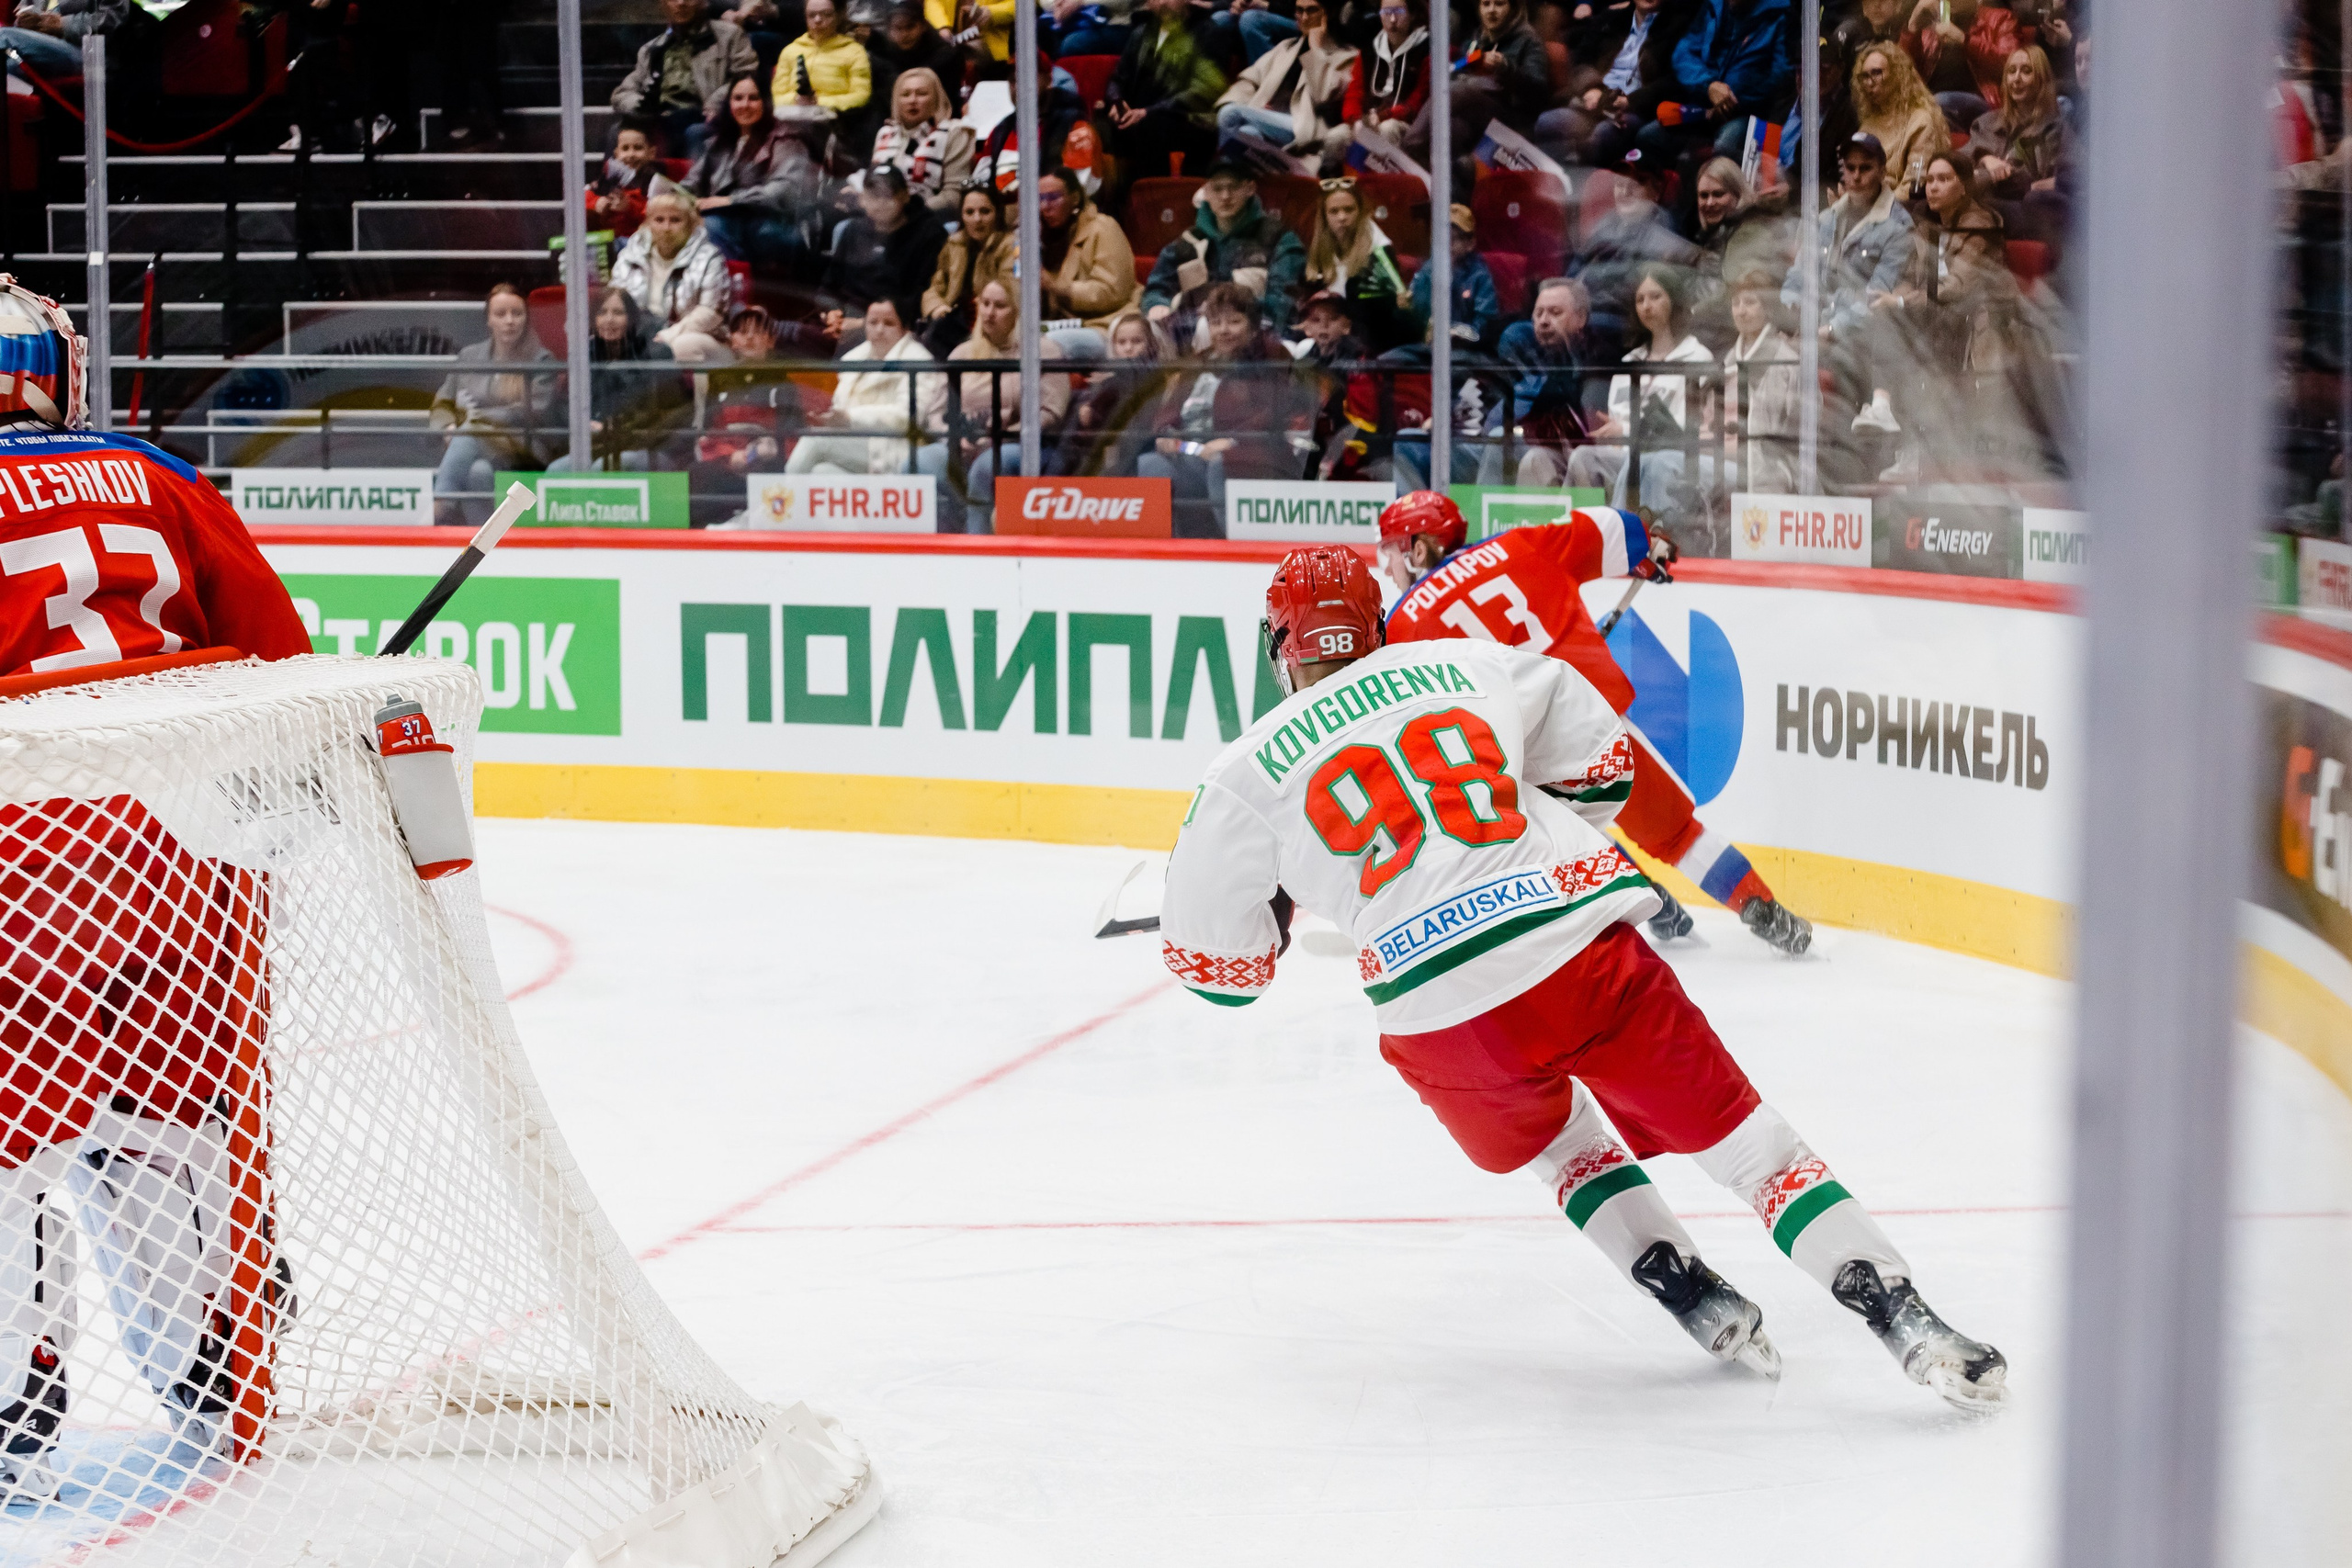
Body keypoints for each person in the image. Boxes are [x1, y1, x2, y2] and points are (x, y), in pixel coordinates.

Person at [1160, 541, 2005, 1407]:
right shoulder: (1465, 662)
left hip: (1438, 1020)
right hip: (1573, 953)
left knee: (1560, 1141)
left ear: (1280, 647)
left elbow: (1223, 974)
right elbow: (1606, 770)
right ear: (1377, 624)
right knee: (1750, 1145)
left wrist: (1281, 914)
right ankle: (1903, 1314)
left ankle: (1682, 1283)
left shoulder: (1238, 775)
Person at [0, 280, 313, 1498]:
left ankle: (15, 1411)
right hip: (189, 855)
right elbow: (279, 658)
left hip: (24, 865)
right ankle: (216, 1371)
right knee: (170, 1125)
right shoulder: (156, 470)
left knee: (12, 1144)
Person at [1376, 491, 1813, 947]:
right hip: (1599, 723)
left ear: (1419, 548)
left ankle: (1651, 900)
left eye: (1391, 551)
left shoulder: (1404, 628)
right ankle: (1767, 912)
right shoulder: (1521, 546)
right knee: (1677, 835)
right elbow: (1615, 527)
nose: (1388, 567)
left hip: (1525, 760)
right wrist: (1646, 550)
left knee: (1562, 835)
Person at [1137, 283, 1311, 537]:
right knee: (1151, 463)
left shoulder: (1273, 355)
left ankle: (1235, 550)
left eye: (1233, 321)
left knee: (1221, 462)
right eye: (1216, 322)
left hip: (1251, 451)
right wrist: (1165, 432)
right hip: (1193, 449)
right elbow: (1171, 408)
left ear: (1252, 325)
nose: (1224, 330)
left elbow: (1275, 410)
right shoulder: (1199, 360)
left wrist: (1232, 441)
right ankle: (1170, 551)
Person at [1782, 131, 1914, 442]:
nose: (1856, 177)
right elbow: (1799, 274)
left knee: (1840, 358)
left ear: (1882, 171)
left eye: (1864, 168)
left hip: (1857, 330)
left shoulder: (1898, 227)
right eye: (1849, 168)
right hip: (1816, 322)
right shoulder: (1826, 219)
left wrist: (1828, 330)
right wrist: (1790, 308)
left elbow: (1877, 295)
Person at [918, 280, 1069, 531]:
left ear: (1019, 311)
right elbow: (937, 411)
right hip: (965, 446)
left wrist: (1003, 437)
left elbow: (1052, 410)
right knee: (919, 461)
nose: (989, 313)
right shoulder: (962, 353)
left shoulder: (1044, 350)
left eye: (1000, 306)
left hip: (1023, 445)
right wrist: (953, 440)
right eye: (985, 304)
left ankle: (978, 547)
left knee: (987, 464)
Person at [1565, 264, 1713, 506]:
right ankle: (1578, 534)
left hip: (1664, 460)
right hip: (1621, 457)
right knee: (1582, 457)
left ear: (1674, 300)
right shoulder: (1629, 362)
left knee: (1593, 460)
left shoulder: (1697, 357)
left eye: (1655, 297)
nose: (1646, 306)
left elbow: (1681, 429)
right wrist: (1614, 433)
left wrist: (1624, 431)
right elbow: (1615, 416)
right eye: (1640, 299)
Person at [430, 283, 558, 527]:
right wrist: (447, 426)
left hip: (524, 448)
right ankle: (489, 546)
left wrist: (473, 423)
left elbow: (532, 410)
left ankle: (440, 506)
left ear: (526, 318)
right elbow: (442, 402)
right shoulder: (469, 357)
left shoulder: (541, 360)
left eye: (517, 314)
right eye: (501, 314)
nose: (509, 321)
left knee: (469, 433)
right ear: (489, 320)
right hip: (476, 450)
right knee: (479, 472)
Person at [1140, 157, 1308, 337]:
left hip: (1258, 336)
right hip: (1191, 336)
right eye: (1218, 188)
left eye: (1233, 187)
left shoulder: (1279, 239)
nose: (1225, 196)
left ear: (1250, 189)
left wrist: (1228, 312)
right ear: (1206, 192)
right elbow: (1156, 289)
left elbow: (1283, 301)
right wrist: (1157, 305)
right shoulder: (1188, 241)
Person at [785, 296, 946, 476]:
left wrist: (849, 418)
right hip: (854, 447)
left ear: (904, 328)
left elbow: (908, 417)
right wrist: (832, 419)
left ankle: (779, 501)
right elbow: (841, 412)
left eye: (889, 323)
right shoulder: (853, 361)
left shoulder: (918, 361)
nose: (879, 329)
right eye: (873, 322)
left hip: (896, 449)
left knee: (815, 440)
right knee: (821, 472)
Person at [684, 73, 825, 269]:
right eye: (738, 98)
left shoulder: (787, 138)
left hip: (776, 223)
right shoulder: (719, 141)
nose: (745, 105)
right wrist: (676, 195)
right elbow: (693, 181)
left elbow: (784, 190)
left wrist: (730, 201)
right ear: (729, 103)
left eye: (753, 98)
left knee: (712, 225)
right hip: (728, 219)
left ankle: (731, 281)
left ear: (765, 102)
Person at [546, 288, 692, 474]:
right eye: (602, 312)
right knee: (557, 470)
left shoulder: (656, 354)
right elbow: (561, 407)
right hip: (599, 446)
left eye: (618, 313)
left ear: (631, 318)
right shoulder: (585, 354)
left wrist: (610, 428)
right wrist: (583, 423)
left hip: (651, 447)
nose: (609, 320)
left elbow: (663, 415)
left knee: (605, 467)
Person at [1569, 149, 1700, 351]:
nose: (1624, 192)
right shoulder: (1605, 225)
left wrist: (1585, 295)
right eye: (1619, 185)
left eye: (1636, 184)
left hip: (1623, 324)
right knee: (1517, 333)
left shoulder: (1665, 234)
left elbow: (1633, 292)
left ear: (1656, 191)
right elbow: (1574, 269)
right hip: (1586, 315)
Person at [1635, 0, 1792, 169]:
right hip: (1705, 104)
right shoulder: (1713, 5)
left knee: (1726, 145)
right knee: (1649, 136)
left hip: (1749, 113)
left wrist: (1730, 100)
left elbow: (1781, 78)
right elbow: (1684, 54)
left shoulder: (1779, 13)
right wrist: (1709, 86)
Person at [690, 307, 805, 525]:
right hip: (727, 466)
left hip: (768, 469)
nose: (750, 337)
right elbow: (708, 434)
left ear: (770, 341)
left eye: (758, 332)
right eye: (743, 332)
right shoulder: (719, 379)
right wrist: (732, 457)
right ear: (733, 340)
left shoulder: (784, 383)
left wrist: (760, 455)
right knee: (696, 474)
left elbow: (792, 440)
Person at [1213, 0, 1358, 166]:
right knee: (1247, 132)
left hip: (1307, 127)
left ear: (1328, 15)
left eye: (1312, 11)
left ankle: (1224, 172)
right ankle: (1256, 178)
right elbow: (1249, 80)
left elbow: (1323, 96)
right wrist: (1251, 109)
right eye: (1299, 11)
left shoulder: (1346, 56)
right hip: (1268, 121)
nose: (1303, 17)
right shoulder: (1285, 48)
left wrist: (1315, 49)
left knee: (1230, 114)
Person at [1408, 0, 1547, 167]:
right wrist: (1462, 67)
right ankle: (1431, 178)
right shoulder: (1476, 39)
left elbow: (1538, 93)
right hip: (1474, 115)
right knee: (1454, 128)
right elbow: (1454, 70)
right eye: (1486, 4)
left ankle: (1409, 147)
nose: (1491, 10)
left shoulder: (1529, 40)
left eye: (1499, 4)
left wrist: (1506, 68)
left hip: (1511, 115)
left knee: (1457, 90)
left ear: (1513, 8)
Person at [612, 0, 760, 157]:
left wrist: (717, 102)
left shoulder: (730, 36)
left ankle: (697, 182)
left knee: (694, 132)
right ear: (663, 4)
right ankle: (612, 181)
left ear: (703, 2)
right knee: (618, 133)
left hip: (705, 116)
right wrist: (641, 106)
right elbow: (623, 93)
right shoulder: (652, 49)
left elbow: (746, 75)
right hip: (662, 118)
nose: (681, 3)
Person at [609, 183, 737, 365]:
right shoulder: (629, 256)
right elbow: (615, 302)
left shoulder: (710, 257)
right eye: (659, 220)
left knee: (682, 345)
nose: (667, 227)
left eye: (675, 220)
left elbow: (711, 313)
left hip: (702, 339)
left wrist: (668, 335)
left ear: (691, 224)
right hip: (642, 336)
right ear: (648, 223)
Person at [1482, 275, 1589, 488]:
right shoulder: (1527, 362)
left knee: (1499, 440)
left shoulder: (1591, 363)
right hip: (1497, 442)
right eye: (1538, 313)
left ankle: (1477, 518)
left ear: (1581, 318)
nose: (1544, 321)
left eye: (1555, 313)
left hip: (1563, 453)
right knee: (1414, 441)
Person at [1105, 0, 1226, 186]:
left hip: (1186, 118)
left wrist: (1148, 113)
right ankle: (1117, 202)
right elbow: (1118, 78)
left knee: (1151, 127)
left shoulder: (1209, 32)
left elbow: (1203, 91)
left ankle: (1152, 198)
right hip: (1140, 115)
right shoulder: (1142, 32)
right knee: (1103, 126)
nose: (1162, 3)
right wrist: (1117, 101)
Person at [1541, 0, 1675, 163]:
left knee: (1604, 135)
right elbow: (1582, 59)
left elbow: (1672, 80)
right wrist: (1591, 88)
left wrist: (1630, 101)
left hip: (1634, 108)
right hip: (1597, 99)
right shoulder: (1611, 20)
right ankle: (1557, 181)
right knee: (1548, 122)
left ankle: (1587, 182)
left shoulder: (1677, 27)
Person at [1051, 310, 1176, 476]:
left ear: (1151, 344)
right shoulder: (1105, 373)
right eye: (1121, 342)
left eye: (1137, 341)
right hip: (1094, 444)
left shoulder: (1155, 375)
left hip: (1134, 444)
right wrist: (1085, 412)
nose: (1128, 348)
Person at [821, 165, 951, 324]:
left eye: (889, 196)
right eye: (874, 196)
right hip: (845, 318)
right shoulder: (852, 229)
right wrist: (831, 312)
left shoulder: (929, 234)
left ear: (905, 196)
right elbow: (829, 284)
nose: (881, 203)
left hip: (895, 326)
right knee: (790, 334)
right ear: (863, 199)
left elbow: (922, 296)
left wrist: (865, 324)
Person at [1301, 177, 1410, 352]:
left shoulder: (1380, 253)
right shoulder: (1318, 252)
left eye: (1348, 210)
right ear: (1324, 216)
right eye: (1334, 211)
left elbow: (1383, 315)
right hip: (1328, 337)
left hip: (1371, 342)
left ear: (1360, 212)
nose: (1342, 217)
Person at [1035, 167, 1141, 348]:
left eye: (1053, 198)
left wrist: (1055, 286)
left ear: (1075, 198)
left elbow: (1111, 292)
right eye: (1040, 199)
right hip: (1054, 326)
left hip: (1103, 325)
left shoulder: (1103, 228)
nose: (1045, 207)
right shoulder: (1037, 237)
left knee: (1042, 347)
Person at [1965, 44, 2071, 223]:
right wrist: (1984, 157)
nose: (2016, 79)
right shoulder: (1986, 122)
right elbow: (1956, 162)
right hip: (1977, 202)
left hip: (2018, 210)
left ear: (2041, 79)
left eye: (2026, 71)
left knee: (1970, 207)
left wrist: (1984, 175)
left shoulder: (2053, 128)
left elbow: (2022, 181)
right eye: (2011, 71)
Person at [1720, 269, 1799, 491]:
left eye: (1750, 302)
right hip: (1726, 459)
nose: (1741, 311)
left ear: (1767, 307)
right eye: (1736, 303)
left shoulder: (1786, 360)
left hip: (1770, 467)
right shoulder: (1728, 359)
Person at [922, 182, 1017, 354]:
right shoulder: (954, 244)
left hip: (989, 321)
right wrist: (937, 307)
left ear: (998, 214)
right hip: (953, 320)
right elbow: (935, 288)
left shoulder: (1010, 246)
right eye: (970, 212)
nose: (977, 219)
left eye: (985, 211)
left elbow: (1010, 293)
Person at [869, 66, 975, 211]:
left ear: (936, 99)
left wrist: (907, 213)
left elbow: (954, 196)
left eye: (921, 94)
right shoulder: (885, 133)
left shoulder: (955, 132)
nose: (912, 100)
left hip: (930, 217)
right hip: (882, 216)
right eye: (905, 94)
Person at [1850, 40, 1944, 201]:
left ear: (1896, 74)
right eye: (1864, 76)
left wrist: (1875, 209)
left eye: (1877, 73)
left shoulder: (1920, 122)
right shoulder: (1868, 125)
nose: (1869, 83)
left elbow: (1914, 186)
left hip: (1902, 211)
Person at [1406, 204, 1503, 353]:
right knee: (1389, 360)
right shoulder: (1427, 270)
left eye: (1453, 239)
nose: (1446, 245)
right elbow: (1416, 317)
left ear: (1470, 244)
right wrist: (1404, 308)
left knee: (1455, 370)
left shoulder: (1479, 276)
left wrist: (1455, 332)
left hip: (1465, 352)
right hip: (1428, 349)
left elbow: (1485, 326)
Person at [1340, 0, 1428, 154]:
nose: (1392, 20)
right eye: (1386, 13)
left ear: (1412, 15)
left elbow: (1418, 101)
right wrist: (1355, 119)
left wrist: (1382, 116)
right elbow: (1355, 92)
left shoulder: (1426, 50)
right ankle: (1332, 177)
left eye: (1399, 12)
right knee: (1336, 136)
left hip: (1406, 124)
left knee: (1388, 129)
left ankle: (1387, 178)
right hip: (1367, 119)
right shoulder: (1368, 51)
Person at [771, 0, 873, 118]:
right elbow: (777, 95)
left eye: (826, 14)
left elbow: (861, 96)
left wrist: (818, 103)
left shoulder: (855, 52)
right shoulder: (790, 51)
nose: (818, 20)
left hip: (840, 121)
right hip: (794, 120)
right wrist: (798, 100)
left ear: (838, 16)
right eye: (812, 15)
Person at [869, 0, 964, 111]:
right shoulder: (880, 56)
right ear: (889, 31)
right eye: (898, 28)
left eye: (910, 27)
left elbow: (951, 99)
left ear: (924, 26)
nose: (904, 35)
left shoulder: (947, 55)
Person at [586, 120, 662, 242]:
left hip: (637, 243)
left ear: (651, 153)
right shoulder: (605, 179)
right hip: (605, 242)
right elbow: (578, 206)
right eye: (625, 149)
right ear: (616, 154)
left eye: (638, 148)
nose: (631, 154)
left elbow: (661, 216)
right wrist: (596, 205)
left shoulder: (657, 182)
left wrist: (629, 208)